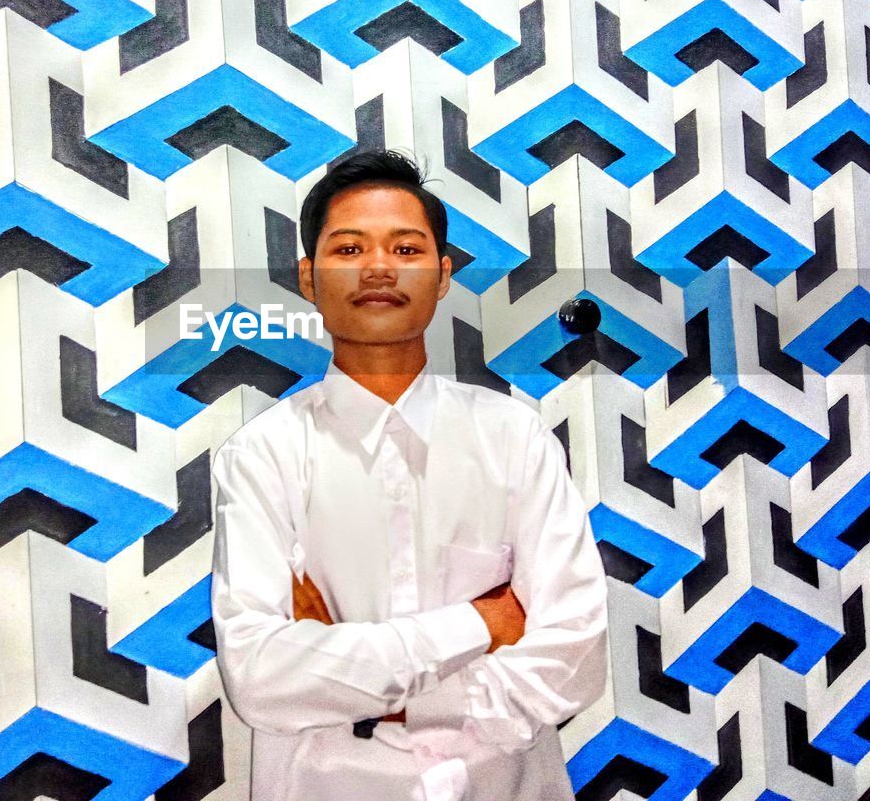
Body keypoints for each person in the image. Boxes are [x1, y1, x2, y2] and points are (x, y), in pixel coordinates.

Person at [208, 149, 610, 800]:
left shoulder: (514, 439)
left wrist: (379, 694)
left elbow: (575, 655)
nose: (377, 269)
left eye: (405, 248)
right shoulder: (263, 455)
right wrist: (482, 624)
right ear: (308, 278)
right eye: (348, 250)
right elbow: (260, 679)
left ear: (443, 273)